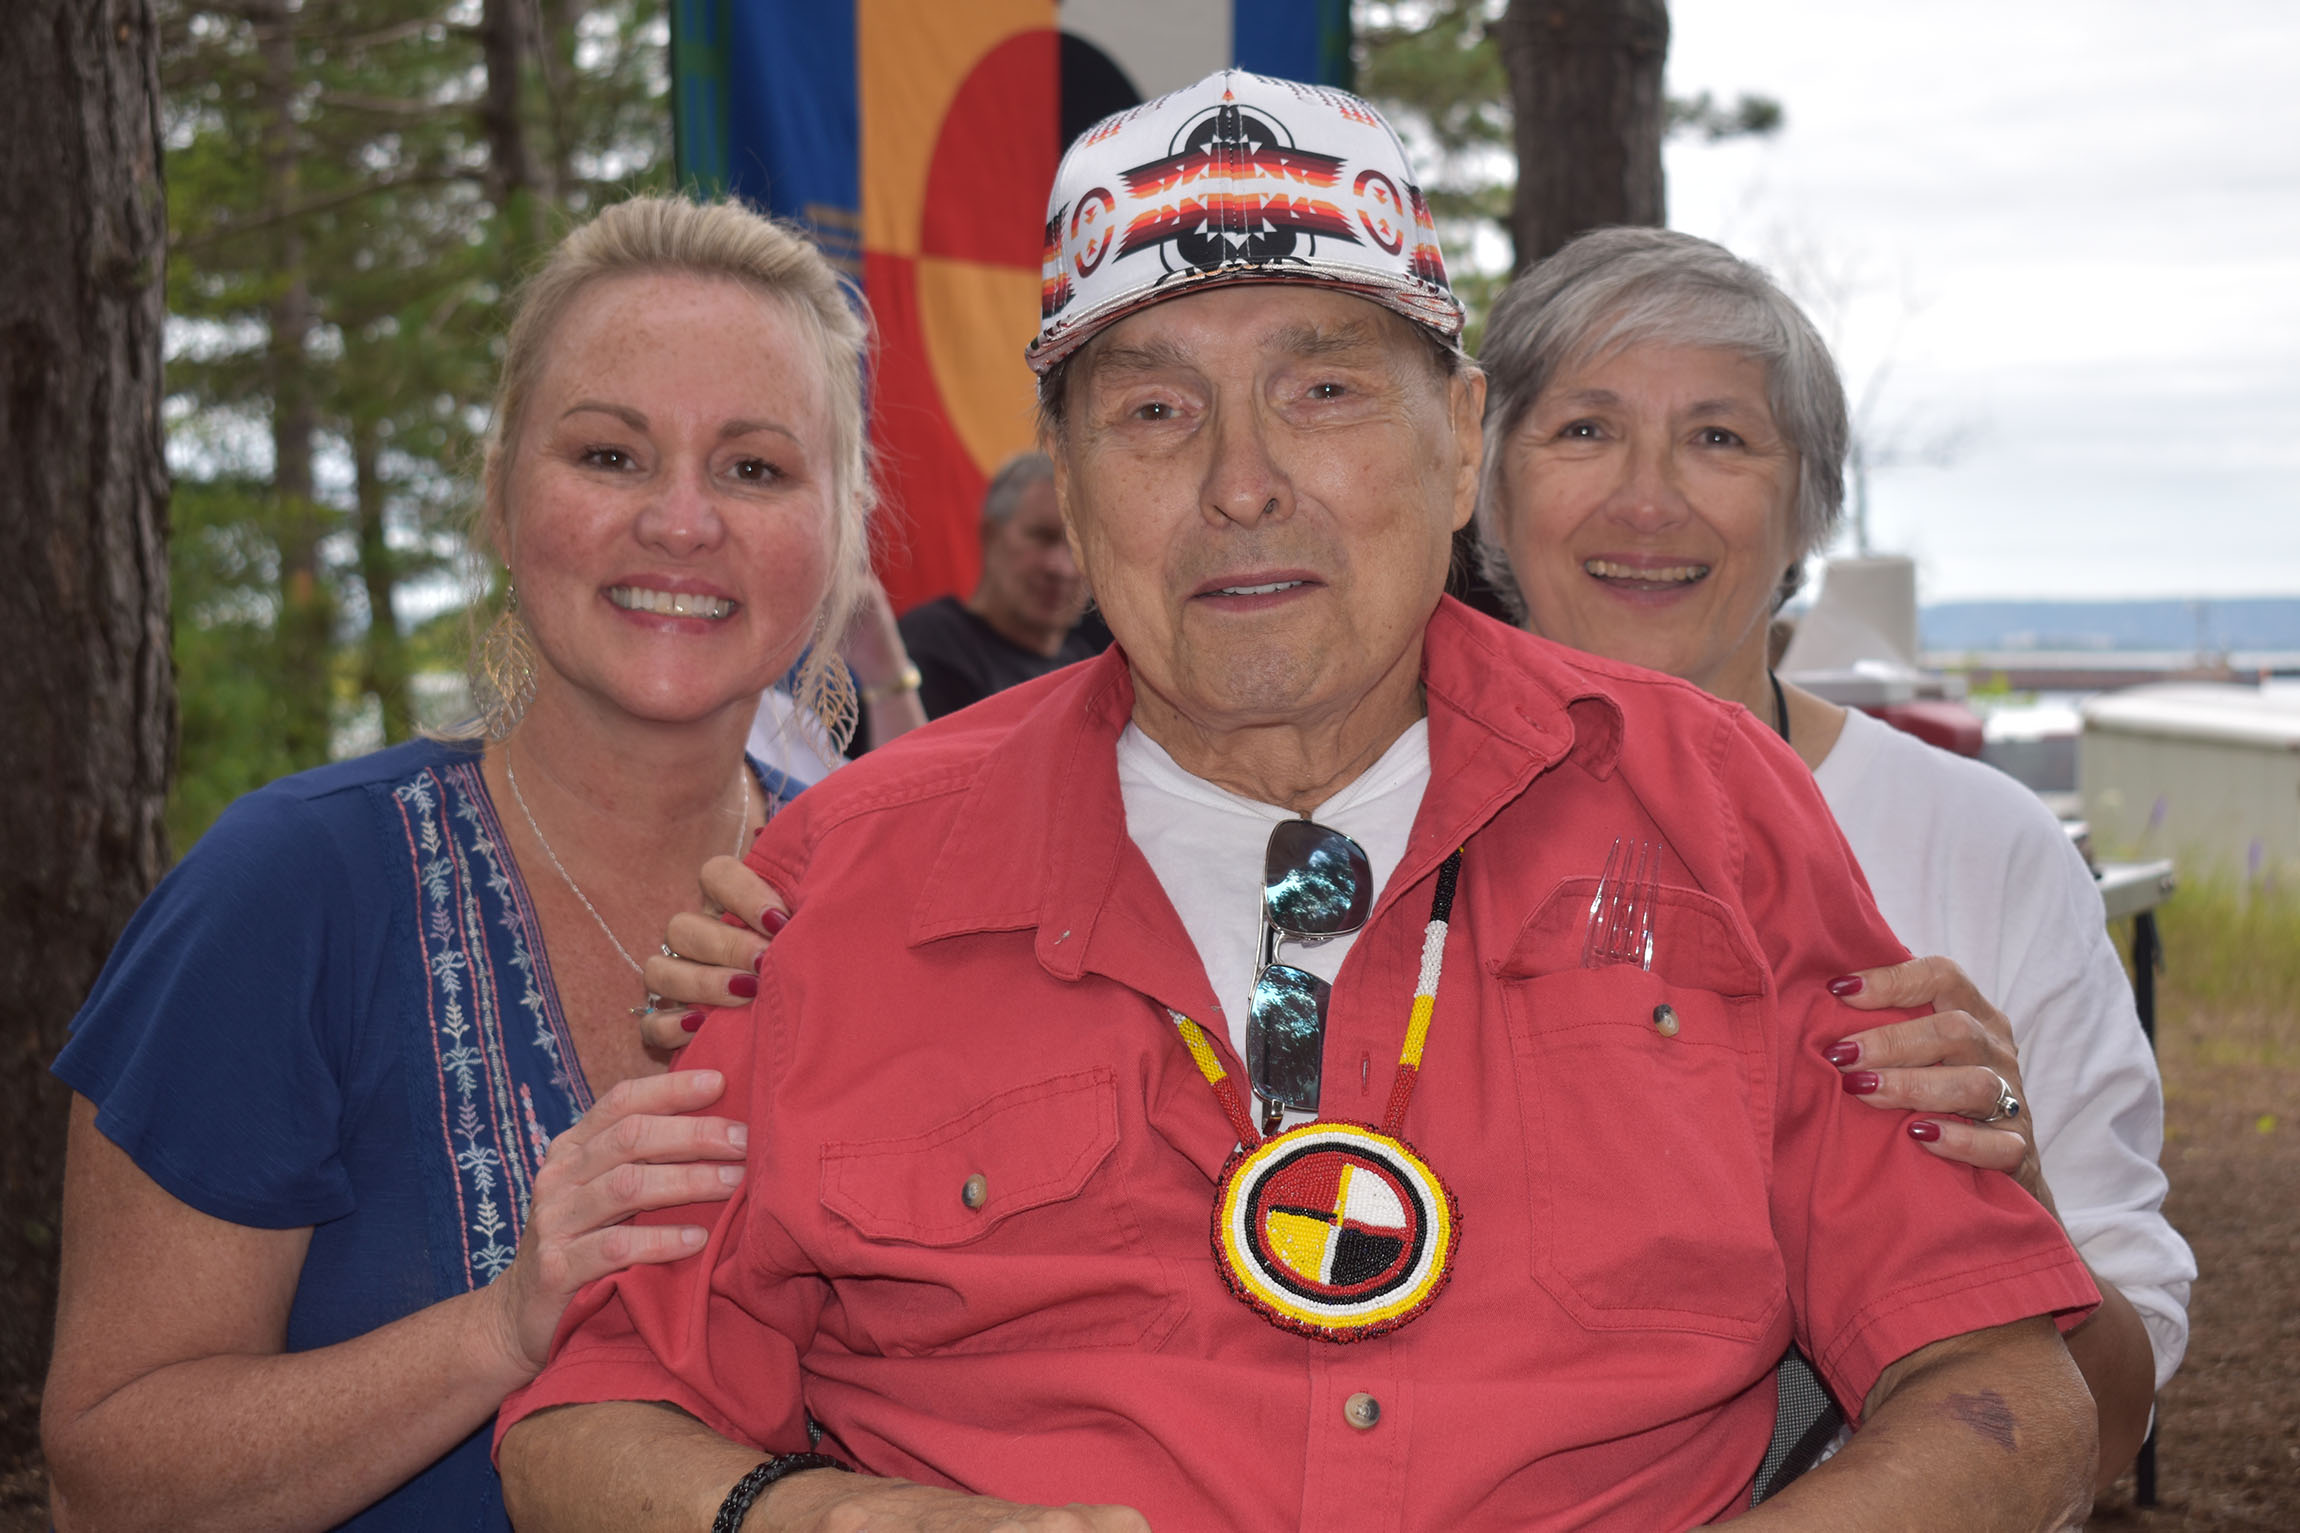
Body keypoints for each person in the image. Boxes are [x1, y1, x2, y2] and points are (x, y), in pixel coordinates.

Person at [496, 73, 2101, 1532]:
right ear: (1064, 471)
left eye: (1324, 392)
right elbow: (584, 1421)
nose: (1242, 480)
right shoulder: (842, 881)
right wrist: (842, 1522)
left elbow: (2005, 1386)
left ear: (1461, 440)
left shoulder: (1708, 807)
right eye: (1153, 410)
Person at [39, 195, 879, 1530]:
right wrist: (503, 1322)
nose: (680, 520)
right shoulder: (288, 891)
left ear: (841, 533)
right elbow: (109, 1482)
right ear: (497, 499)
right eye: (609, 454)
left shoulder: (886, 904)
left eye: (756, 468)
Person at [1470, 225, 2193, 1495]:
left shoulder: (1980, 847)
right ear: (1479, 482)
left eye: (1718, 438)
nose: (1646, 499)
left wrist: (2013, 1191)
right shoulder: (1364, 821)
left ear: (1808, 503)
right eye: (1582, 430)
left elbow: (2113, 1416)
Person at [897, 450, 1106, 719]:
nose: (1060, 568)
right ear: (990, 534)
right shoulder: (935, 643)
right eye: (1042, 537)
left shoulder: (1091, 669)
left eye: (1078, 545)